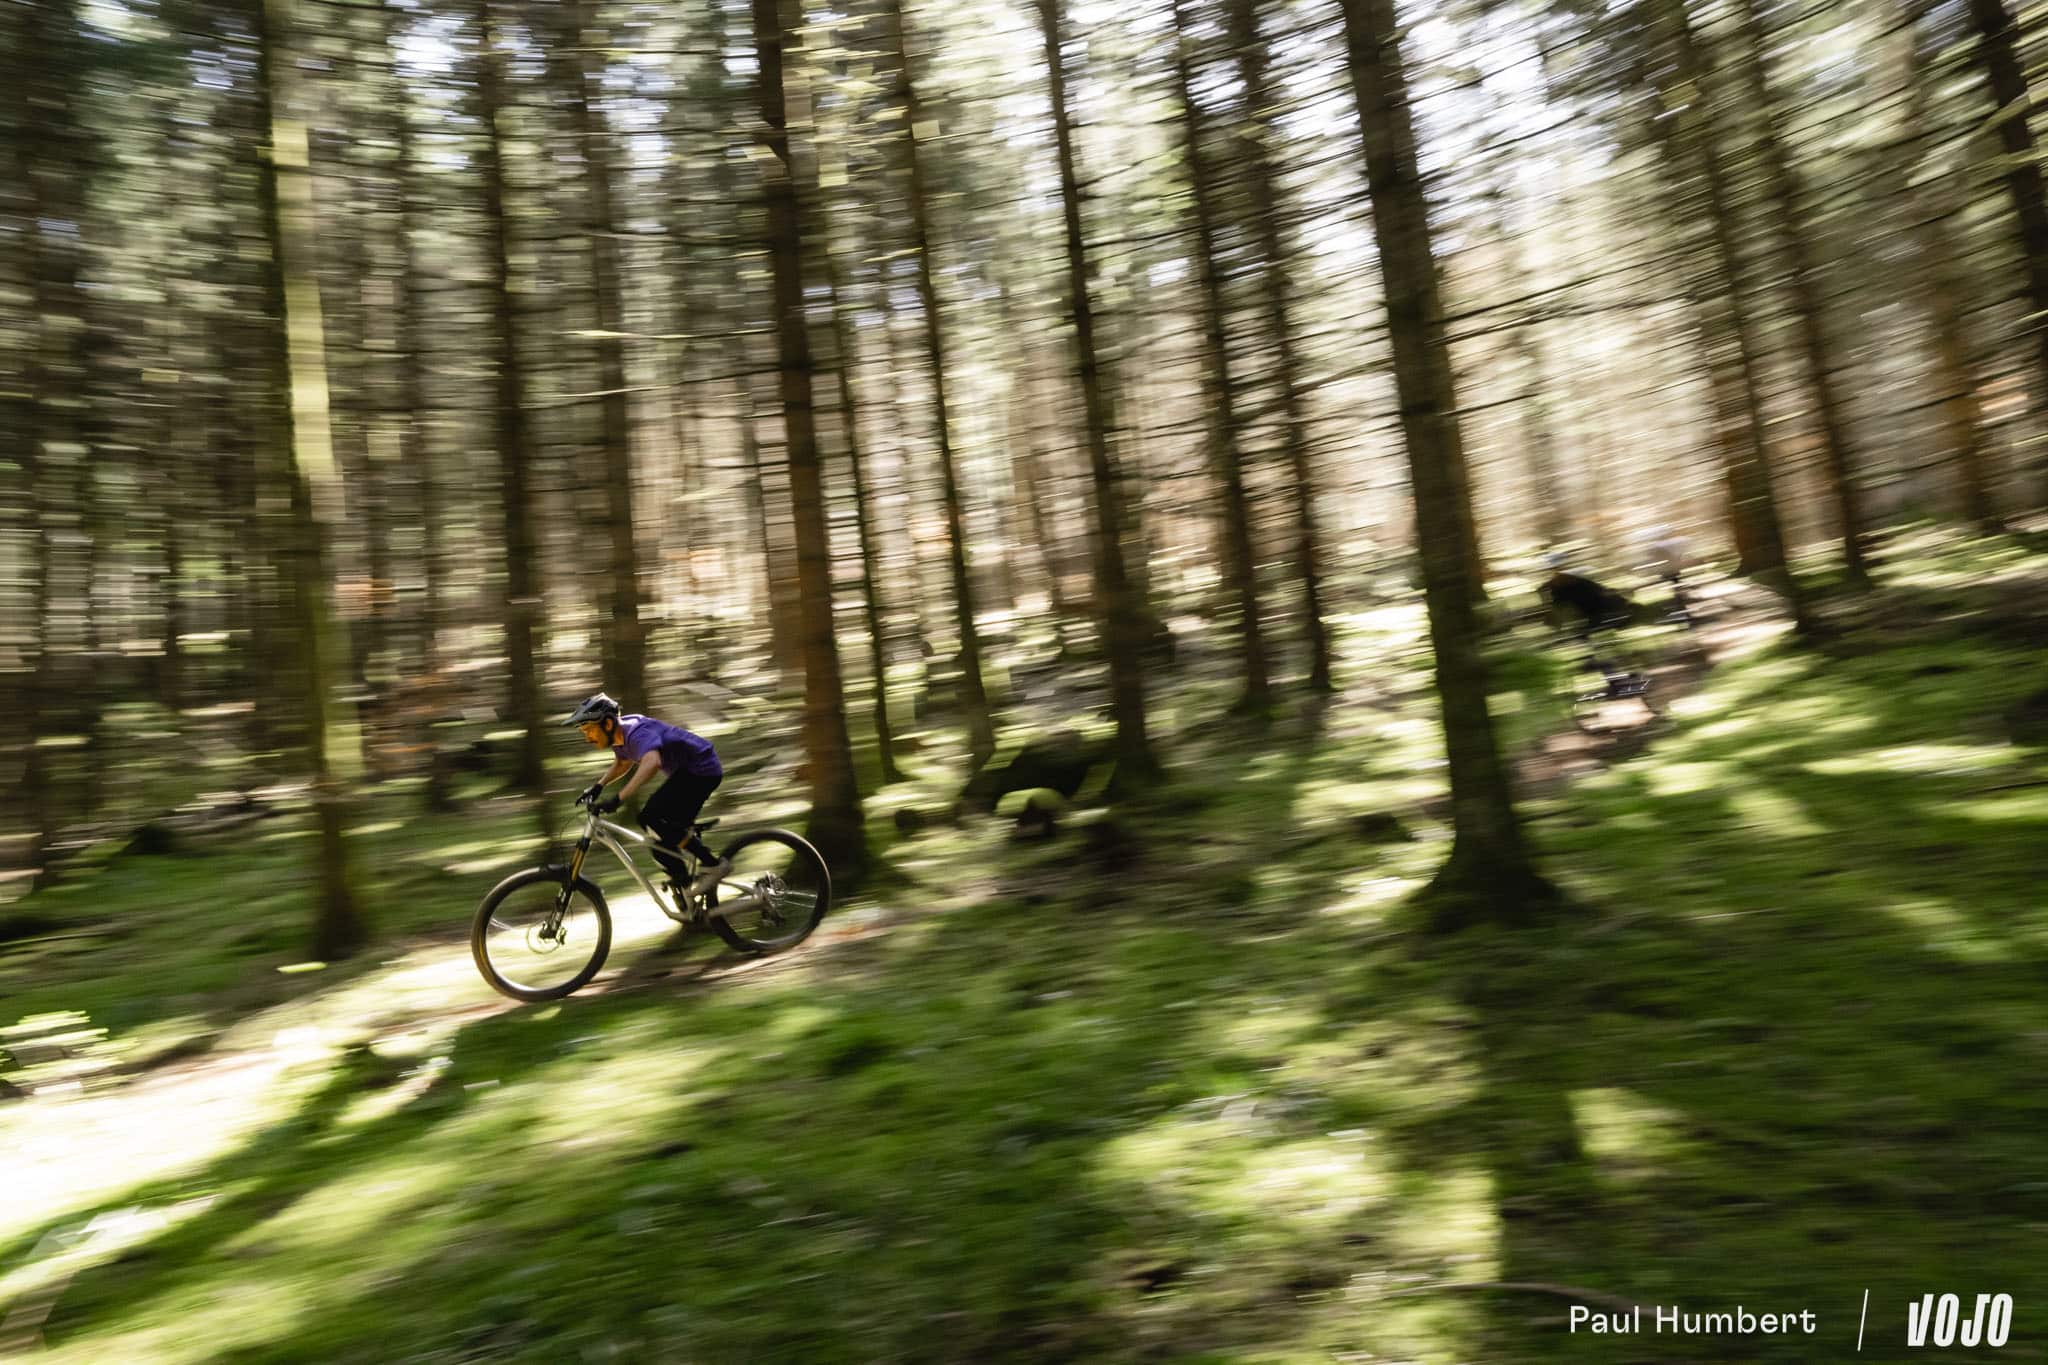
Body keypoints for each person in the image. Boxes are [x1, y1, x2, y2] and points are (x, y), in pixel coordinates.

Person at [564, 692, 730, 897]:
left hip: (701, 770)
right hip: (687, 773)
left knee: (651, 818)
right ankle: (683, 883)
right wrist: (598, 786)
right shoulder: (620, 735)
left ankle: (712, 865)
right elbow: (623, 762)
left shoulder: (636, 733)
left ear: (607, 724)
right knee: (656, 834)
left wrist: (619, 798)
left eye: (589, 730)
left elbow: (652, 763)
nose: (587, 738)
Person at [1540, 555, 1640, 684]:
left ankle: (1599, 668)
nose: (1556, 572)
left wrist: (1552, 630)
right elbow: (1601, 590)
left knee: (1588, 642)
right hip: (1604, 614)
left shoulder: (1561, 584)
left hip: (1602, 615)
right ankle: (1605, 670)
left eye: (1555, 569)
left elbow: (1556, 609)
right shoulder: (1572, 580)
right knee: (1590, 643)